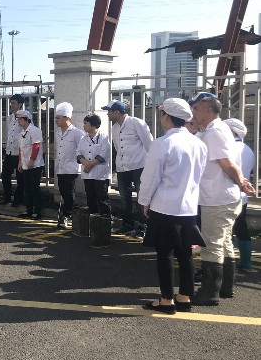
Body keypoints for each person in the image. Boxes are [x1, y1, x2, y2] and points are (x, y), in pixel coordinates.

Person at [138, 98, 207, 314]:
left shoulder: (162, 143)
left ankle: (166, 300)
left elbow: (150, 178)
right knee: (185, 254)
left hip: (164, 206)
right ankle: (184, 297)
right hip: (188, 207)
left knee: (165, 254)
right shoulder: (199, 144)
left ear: (166, 116)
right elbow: (199, 175)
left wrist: (145, 201)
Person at [189, 92, 254, 305]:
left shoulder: (214, 132)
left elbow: (226, 164)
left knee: (212, 245)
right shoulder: (215, 129)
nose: (193, 112)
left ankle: (209, 292)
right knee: (224, 242)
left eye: (196, 108)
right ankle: (225, 287)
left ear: (208, 110)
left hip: (216, 197)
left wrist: (241, 181)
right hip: (222, 196)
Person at [101, 99, 153, 235]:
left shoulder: (136, 123)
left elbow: (149, 144)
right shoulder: (114, 128)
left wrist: (152, 166)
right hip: (122, 167)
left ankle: (143, 226)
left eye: (109, 111)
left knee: (142, 197)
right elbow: (117, 148)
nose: (107, 114)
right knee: (124, 198)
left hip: (139, 166)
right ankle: (127, 224)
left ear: (117, 112)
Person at [224, 118, 255, 272]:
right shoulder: (248, 149)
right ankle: (246, 262)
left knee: (225, 232)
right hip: (242, 196)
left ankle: (226, 265)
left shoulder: (228, 148)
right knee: (241, 228)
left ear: (232, 131)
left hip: (226, 195)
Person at [54, 102, 85, 228]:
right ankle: (69, 212)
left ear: (67, 118)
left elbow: (82, 150)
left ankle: (68, 215)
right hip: (60, 167)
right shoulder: (57, 133)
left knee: (68, 192)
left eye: (58, 118)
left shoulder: (77, 133)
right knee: (63, 191)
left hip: (71, 168)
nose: (56, 120)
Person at [76, 114, 111, 218]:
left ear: (93, 125)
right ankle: (93, 218)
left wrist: (89, 165)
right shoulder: (83, 139)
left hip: (100, 174)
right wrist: (85, 163)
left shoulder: (104, 138)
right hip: (87, 174)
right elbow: (78, 153)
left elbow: (103, 154)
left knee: (102, 198)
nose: (83, 125)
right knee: (90, 197)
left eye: (85, 123)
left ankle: (105, 219)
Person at [16, 109, 45, 219]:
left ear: (26, 119)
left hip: (35, 164)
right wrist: (20, 162)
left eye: (20, 119)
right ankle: (28, 210)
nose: (18, 121)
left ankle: (37, 211)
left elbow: (36, 146)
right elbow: (21, 149)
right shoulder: (22, 133)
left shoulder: (34, 130)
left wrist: (32, 160)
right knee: (27, 188)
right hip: (25, 163)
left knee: (34, 188)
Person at [0, 94, 25, 206]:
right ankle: (7, 196)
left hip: (20, 151)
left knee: (20, 178)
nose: (12, 105)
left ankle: (18, 199)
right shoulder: (10, 118)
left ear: (20, 104)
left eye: (14, 103)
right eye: (11, 103)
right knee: (5, 175)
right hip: (10, 151)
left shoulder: (25, 116)